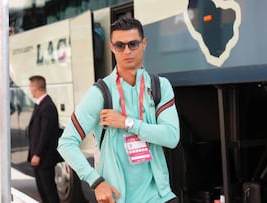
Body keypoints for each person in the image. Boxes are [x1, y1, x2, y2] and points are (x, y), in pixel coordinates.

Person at [58, 17, 180, 203]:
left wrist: (127, 123)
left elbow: (171, 137)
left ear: (144, 44)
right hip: (117, 199)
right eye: (120, 45)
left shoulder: (159, 86)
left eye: (133, 44)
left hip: (159, 197)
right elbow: (66, 143)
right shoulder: (100, 93)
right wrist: (95, 181)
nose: (127, 51)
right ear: (111, 47)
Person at [27, 75, 62, 203]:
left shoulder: (47, 106)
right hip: (40, 158)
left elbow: (45, 134)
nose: (30, 90)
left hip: (44, 158)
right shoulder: (41, 104)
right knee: (43, 191)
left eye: (31, 87)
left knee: (49, 191)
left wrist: (37, 154)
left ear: (36, 88)